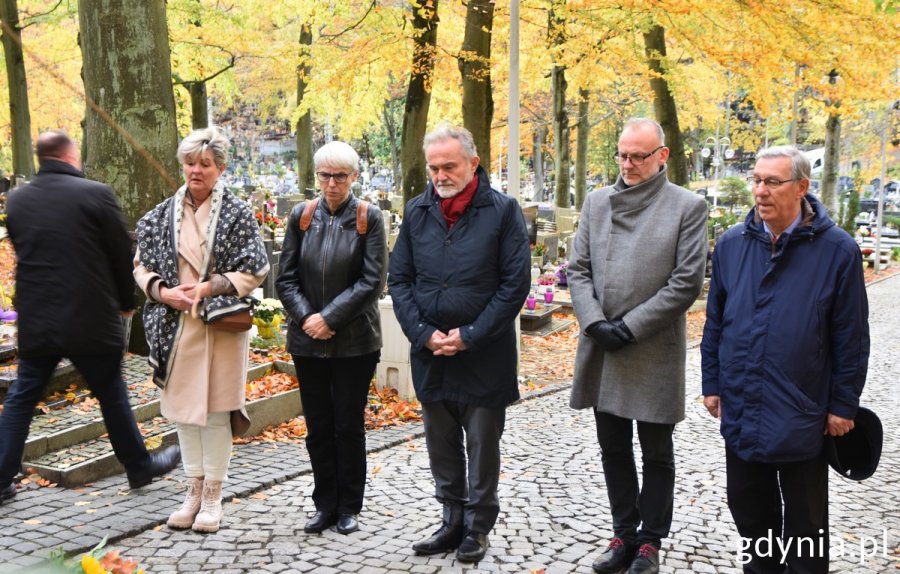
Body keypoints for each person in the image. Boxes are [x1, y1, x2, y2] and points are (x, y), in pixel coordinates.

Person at [701, 146, 869, 573]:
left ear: (801, 187)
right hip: (741, 405)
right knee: (750, 513)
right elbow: (716, 320)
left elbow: (850, 336)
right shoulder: (733, 244)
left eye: (772, 182)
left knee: (805, 523)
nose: (760, 191)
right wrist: (713, 383)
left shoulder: (838, 250)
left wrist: (843, 404)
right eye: (757, 180)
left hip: (804, 409)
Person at [0, 130, 180, 506]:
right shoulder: (95, 194)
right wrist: (125, 300)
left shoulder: (17, 201)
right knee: (111, 395)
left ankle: (1, 477)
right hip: (89, 317)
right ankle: (138, 465)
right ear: (70, 156)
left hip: (38, 318)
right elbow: (120, 253)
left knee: (21, 398)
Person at [568, 118, 708, 574]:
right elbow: (579, 268)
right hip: (602, 344)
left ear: (662, 156)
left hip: (650, 346)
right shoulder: (597, 202)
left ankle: (650, 542)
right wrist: (594, 322)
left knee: (656, 451)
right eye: (622, 154)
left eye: (638, 156)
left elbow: (686, 282)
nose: (627, 164)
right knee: (612, 447)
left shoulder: (687, 207)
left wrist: (628, 327)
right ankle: (623, 533)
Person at [388, 124, 530, 563]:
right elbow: (400, 279)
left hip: (484, 355)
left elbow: (514, 285)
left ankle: (477, 526)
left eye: (449, 166)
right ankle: (451, 520)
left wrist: (469, 335)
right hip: (431, 353)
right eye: (433, 167)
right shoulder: (417, 211)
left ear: (473, 163)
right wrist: (424, 333)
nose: (440, 175)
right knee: (441, 443)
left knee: (482, 447)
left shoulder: (503, 212)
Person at [134, 127, 269, 533]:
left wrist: (210, 286)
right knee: (184, 415)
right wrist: (162, 291)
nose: (196, 170)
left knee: (214, 412)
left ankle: (213, 494)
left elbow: (255, 267)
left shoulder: (238, 212)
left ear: (220, 168)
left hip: (220, 326)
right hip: (176, 326)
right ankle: (192, 489)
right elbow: (140, 265)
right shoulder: (159, 215)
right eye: (190, 163)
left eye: (205, 164)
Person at [275, 141, 387, 536]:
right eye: (325, 175)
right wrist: (308, 318)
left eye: (340, 176)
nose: (331, 183)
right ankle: (324, 504)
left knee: (347, 425)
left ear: (354, 177)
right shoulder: (301, 216)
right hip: (308, 341)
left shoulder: (368, 217)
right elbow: (285, 277)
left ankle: (349, 506)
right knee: (319, 425)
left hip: (355, 341)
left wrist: (331, 318)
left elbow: (372, 281)